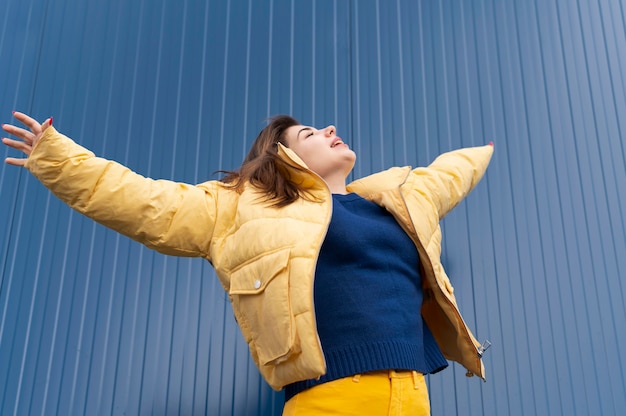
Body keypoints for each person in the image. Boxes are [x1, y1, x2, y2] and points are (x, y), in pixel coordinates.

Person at [2, 111, 493, 415]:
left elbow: (447, 175)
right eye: (309, 133)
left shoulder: (397, 201)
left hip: (414, 396)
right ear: (284, 158)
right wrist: (57, 157)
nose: (330, 129)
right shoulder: (239, 207)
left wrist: (490, 144)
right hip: (330, 399)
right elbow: (144, 202)